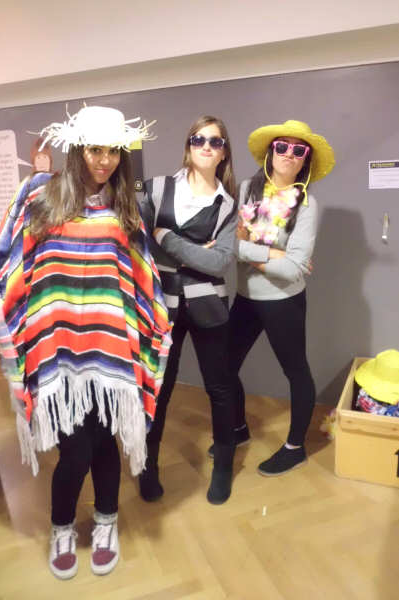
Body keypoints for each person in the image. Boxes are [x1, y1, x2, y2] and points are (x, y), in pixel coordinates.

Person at [0, 106, 171, 579]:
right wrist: (8, 306)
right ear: (77, 149)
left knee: (105, 444)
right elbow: (8, 258)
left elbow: (141, 274)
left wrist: (154, 322)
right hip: (55, 347)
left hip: (110, 347)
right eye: (95, 150)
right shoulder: (39, 192)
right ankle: (61, 527)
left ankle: (106, 521)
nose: (104, 160)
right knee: (75, 449)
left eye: (113, 151)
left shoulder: (125, 206)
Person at [139, 115, 238, 504]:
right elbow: (135, 239)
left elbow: (220, 263)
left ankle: (224, 467)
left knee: (220, 387)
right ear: (188, 145)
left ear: (224, 152)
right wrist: (197, 252)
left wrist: (166, 237)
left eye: (215, 141)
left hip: (209, 304)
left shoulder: (227, 205)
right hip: (161, 303)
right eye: (199, 139)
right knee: (159, 387)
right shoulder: (155, 188)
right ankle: (147, 466)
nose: (206, 147)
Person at [227, 119, 335, 476]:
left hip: (283, 301)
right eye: (282, 146)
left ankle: (294, 448)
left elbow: (292, 270)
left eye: (298, 150)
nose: (289, 154)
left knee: (296, 371)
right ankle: (238, 429)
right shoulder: (247, 190)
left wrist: (249, 251)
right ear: (270, 152)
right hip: (245, 296)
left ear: (306, 160)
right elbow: (230, 243)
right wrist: (273, 255)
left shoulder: (306, 204)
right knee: (224, 367)